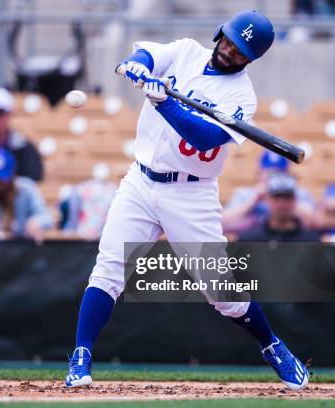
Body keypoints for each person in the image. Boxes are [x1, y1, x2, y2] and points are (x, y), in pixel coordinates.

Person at [65, 10, 310, 391]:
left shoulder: (241, 96)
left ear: (251, 58)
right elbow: (146, 56)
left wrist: (167, 105)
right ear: (220, 34)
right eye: (228, 41)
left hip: (191, 193)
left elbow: (206, 138)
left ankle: (272, 345)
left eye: (240, 50)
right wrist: (136, 67)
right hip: (140, 181)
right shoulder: (185, 52)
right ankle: (80, 355)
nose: (230, 51)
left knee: (221, 291)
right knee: (109, 268)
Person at [222, 151, 315, 234]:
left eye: (278, 172)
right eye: (269, 173)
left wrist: (285, 199)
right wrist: (252, 202)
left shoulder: (297, 193)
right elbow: (223, 224)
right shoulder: (245, 194)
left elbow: (313, 223)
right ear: (260, 173)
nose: (272, 177)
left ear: (287, 173)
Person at [0, 147, 52, 241]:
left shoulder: (26, 188)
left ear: (12, 175)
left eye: (1, 180)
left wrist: (36, 222)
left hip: (26, 249)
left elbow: (47, 217)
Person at [237, 173, 320, 242]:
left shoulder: (310, 240)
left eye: (287, 197)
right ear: (267, 199)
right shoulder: (249, 239)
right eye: (277, 197)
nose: (282, 203)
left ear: (294, 200)